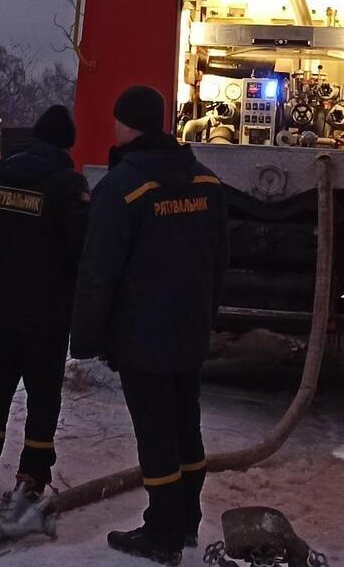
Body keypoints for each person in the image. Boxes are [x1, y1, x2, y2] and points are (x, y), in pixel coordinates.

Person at [71, 86, 229, 565]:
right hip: (189, 330)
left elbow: (99, 270)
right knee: (186, 426)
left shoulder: (122, 187)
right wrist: (206, 315)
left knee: (156, 433)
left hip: (142, 335)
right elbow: (219, 260)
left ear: (126, 125)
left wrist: (86, 337)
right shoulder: (207, 182)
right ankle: (186, 521)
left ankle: (162, 533)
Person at [0, 105, 89, 502]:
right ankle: (33, 473)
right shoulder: (68, 184)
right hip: (48, 309)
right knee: (43, 393)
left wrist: (5, 248)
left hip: (3, 302)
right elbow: (79, 246)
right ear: (67, 143)